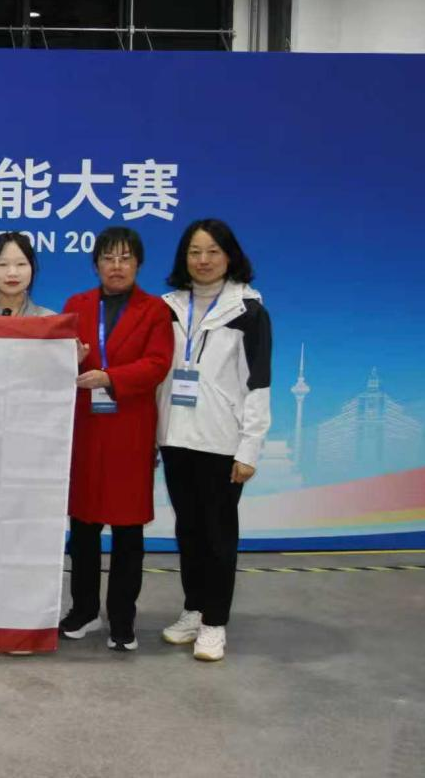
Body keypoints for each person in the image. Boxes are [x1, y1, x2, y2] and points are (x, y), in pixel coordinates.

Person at [156, 219, 271, 662]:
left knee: (219, 535)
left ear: (229, 256)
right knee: (188, 530)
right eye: (194, 252)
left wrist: (249, 448)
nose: (203, 261)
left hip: (222, 442)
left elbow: (258, 384)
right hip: (175, 437)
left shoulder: (248, 311)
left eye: (212, 252)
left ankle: (214, 623)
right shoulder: (168, 308)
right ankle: (193, 608)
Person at [60, 226, 173, 651]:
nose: (117, 266)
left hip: (130, 430)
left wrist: (110, 377)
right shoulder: (77, 305)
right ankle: (84, 610)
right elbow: (56, 357)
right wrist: (68, 358)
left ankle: (122, 619)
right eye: (108, 258)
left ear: (138, 264)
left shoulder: (155, 310)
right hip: (86, 430)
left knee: (128, 533)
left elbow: (158, 364)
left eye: (125, 258)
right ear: (96, 265)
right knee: (84, 529)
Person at [0, 231, 55, 317]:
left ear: (32, 269)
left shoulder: (50, 321)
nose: (12, 273)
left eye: (21, 264)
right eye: (3, 264)